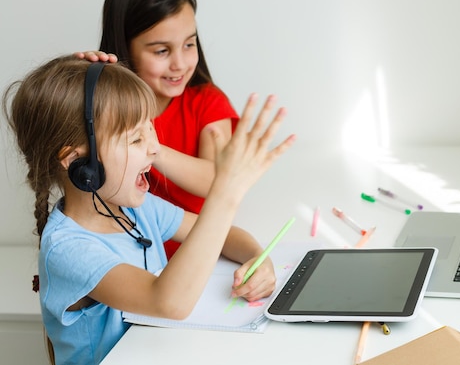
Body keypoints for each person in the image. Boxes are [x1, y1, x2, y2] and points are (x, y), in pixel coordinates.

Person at [2, 56, 295, 364]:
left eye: (151, 129)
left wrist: (257, 259)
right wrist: (226, 193)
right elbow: (167, 301)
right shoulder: (67, 250)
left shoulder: (138, 210)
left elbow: (227, 236)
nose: (155, 147)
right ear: (80, 162)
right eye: (136, 138)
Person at [78, 0, 238, 258]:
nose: (179, 63)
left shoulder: (207, 102)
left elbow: (218, 180)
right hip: (122, 255)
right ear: (124, 47)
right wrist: (85, 89)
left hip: (196, 254)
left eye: (189, 44)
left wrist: (149, 148)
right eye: (162, 51)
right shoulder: (111, 105)